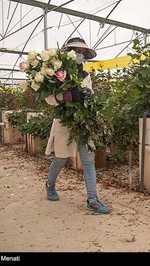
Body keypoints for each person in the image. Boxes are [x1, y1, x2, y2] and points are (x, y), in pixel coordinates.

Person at [44, 37, 111, 214]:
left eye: (82, 52)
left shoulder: (86, 76)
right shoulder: (57, 74)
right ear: (68, 53)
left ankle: (92, 199)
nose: (79, 55)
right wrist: (67, 97)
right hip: (64, 122)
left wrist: (89, 95)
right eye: (76, 51)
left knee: (88, 161)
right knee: (61, 158)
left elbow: (91, 95)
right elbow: (49, 99)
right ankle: (50, 185)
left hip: (84, 121)